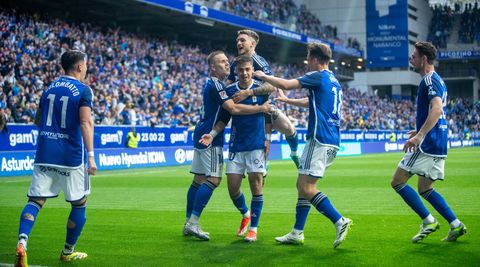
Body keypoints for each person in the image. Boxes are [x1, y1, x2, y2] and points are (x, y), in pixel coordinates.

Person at [254, 42, 352, 248]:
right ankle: (297, 232)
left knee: (307, 187)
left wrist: (263, 77)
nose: (307, 61)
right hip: (332, 139)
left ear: (316, 59)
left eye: (308, 57)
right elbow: (310, 102)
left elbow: (287, 83)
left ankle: (339, 220)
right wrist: (287, 101)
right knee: (302, 186)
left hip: (319, 138)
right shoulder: (333, 80)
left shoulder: (317, 75)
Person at [14, 50, 97, 267]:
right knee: (80, 204)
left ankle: (22, 242)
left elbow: (38, 120)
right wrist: (91, 156)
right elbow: (85, 123)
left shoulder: (48, 88)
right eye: (85, 65)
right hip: (70, 156)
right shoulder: (83, 90)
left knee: (35, 201)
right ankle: (67, 251)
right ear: (79, 67)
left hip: (44, 153)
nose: (86, 68)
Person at [183, 51, 272, 241]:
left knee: (198, 180)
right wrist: (260, 108)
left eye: (247, 69)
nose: (227, 64)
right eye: (223, 62)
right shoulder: (223, 87)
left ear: (252, 70)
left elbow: (273, 88)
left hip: (211, 135)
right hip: (215, 139)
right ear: (213, 67)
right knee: (214, 180)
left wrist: (268, 137)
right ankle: (192, 222)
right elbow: (230, 111)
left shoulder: (255, 87)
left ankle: (251, 227)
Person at [390, 41, 466, 243]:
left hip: (427, 144)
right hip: (438, 142)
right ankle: (456, 225)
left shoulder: (429, 80)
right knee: (425, 188)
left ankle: (428, 221)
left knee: (397, 182)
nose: (411, 59)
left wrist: (420, 135)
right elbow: (437, 113)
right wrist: (419, 129)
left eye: (414, 56)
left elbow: (437, 109)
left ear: (423, 59)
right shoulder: (438, 80)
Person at [227, 29, 300, 168]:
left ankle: (294, 153)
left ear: (252, 44)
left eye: (243, 40)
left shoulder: (259, 62)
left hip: (264, 109)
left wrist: (249, 93)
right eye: (237, 41)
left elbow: (272, 86)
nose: (238, 43)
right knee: (259, 162)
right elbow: (229, 84)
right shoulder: (235, 64)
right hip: (245, 112)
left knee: (289, 129)